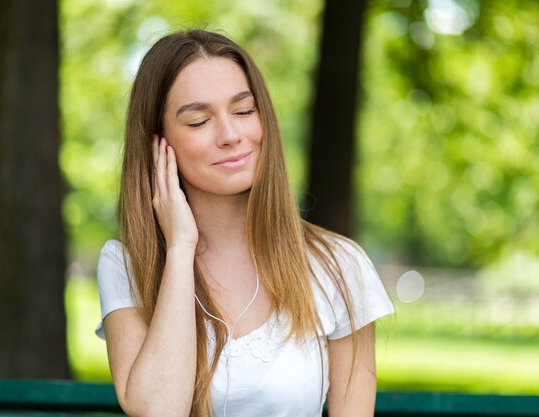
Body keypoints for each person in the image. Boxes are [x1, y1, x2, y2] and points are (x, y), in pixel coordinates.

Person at [95, 29, 394, 417]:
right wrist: (181, 247)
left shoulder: (339, 265)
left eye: (243, 111)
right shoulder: (126, 264)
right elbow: (158, 410)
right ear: (159, 143)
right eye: (199, 121)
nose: (230, 135)